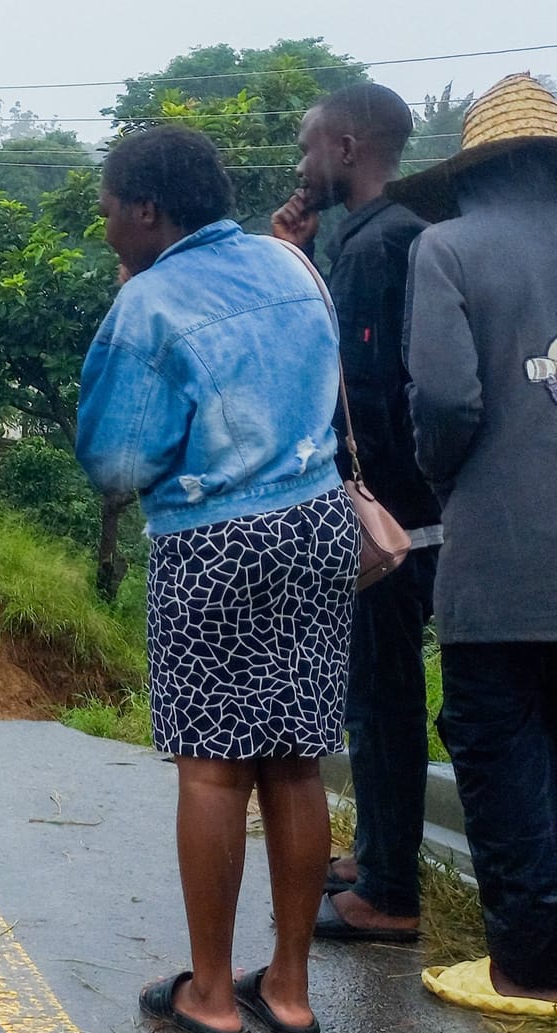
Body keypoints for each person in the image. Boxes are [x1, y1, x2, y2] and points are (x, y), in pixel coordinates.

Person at [77, 125, 352, 1033]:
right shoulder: (290, 266)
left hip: (215, 541)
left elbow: (116, 462)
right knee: (296, 760)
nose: (106, 221)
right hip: (318, 527)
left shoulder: (150, 302)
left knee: (213, 765)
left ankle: (210, 996)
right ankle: (290, 987)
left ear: (147, 209)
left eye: (111, 205)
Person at [390, 72, 557, 1015]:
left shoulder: (447, 248)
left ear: (473, 171)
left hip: (499, 558)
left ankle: (530, 965)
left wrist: (456, 479)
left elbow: (447, 403)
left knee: (499, 753)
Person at [270, 83, 440, 944]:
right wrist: (295, 256)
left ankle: (389, 892)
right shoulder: (375, 238)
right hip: (413, 512)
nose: (300, 166)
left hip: (392, 518)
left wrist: (351, 493)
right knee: (377, 692)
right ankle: (376, 852)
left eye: (307, 147)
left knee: (383, 695)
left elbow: (363, 395)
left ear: (344, 148)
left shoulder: (383, 247)